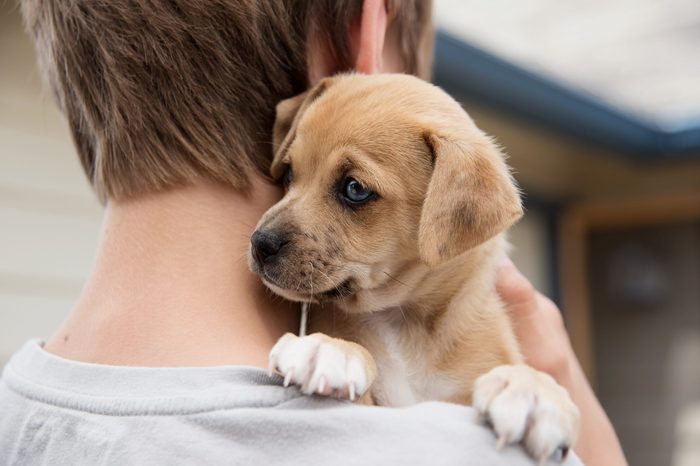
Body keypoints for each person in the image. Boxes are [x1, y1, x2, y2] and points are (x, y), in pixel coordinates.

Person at [0, 0, 625, 464]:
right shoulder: (479, 452)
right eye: (289, 171)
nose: (269, 232)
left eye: (356, 191)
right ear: (364, 33)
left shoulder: (17, 413)